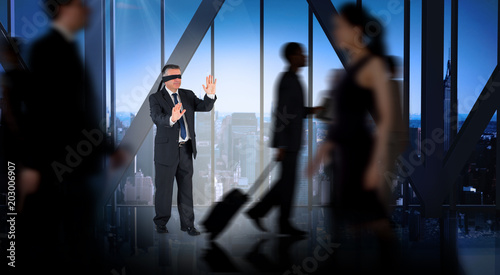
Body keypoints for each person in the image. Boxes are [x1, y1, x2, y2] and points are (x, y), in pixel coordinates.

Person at [15, 0, 109, 273]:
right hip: (59, 167)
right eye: (82, 4)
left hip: (74, 166)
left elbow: (76, 111)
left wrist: (105, 145)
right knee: (62, 244)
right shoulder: (47, 50)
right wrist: (32, 165)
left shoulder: (65, 49)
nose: (88, 10)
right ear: (65, 7)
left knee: (74, 241)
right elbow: (40, 113)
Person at [307, 4, 400, 273]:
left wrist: (374, 165)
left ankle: (388, 263)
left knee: (371, 220)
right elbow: (340, 119)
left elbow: (384, 120)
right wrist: (322, 153)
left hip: (360, 154)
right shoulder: (354, 66)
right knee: (353, 217)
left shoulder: (372, 65)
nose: (336, 31)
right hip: (344, 155)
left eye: (340, 26)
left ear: (356, 30)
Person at [246, 42, 321, 236]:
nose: (305, 56)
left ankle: (259, 212)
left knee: (286, 182)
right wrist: (281, 144)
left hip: (291, 142)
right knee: (288, 183)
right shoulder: (288, 80)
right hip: (288, 143)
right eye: (301, 53)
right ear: (292, 57)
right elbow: (281, 113)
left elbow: (295, 111)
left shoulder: (292, 79)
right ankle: (281, 222)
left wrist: (313, 110)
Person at [149, 64, 217, 236]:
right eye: (173, 77)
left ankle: (188, 225)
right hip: (166, 151)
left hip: (186, 149)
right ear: (165, 80)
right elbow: (157, 118)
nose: (177, 79)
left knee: (186, 189)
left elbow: (205, 107)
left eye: (179, 76)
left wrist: (210, 94)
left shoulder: (187, 94)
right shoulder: (156, 98)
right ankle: (161, 223)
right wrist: (172, 118)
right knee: (164, 190)